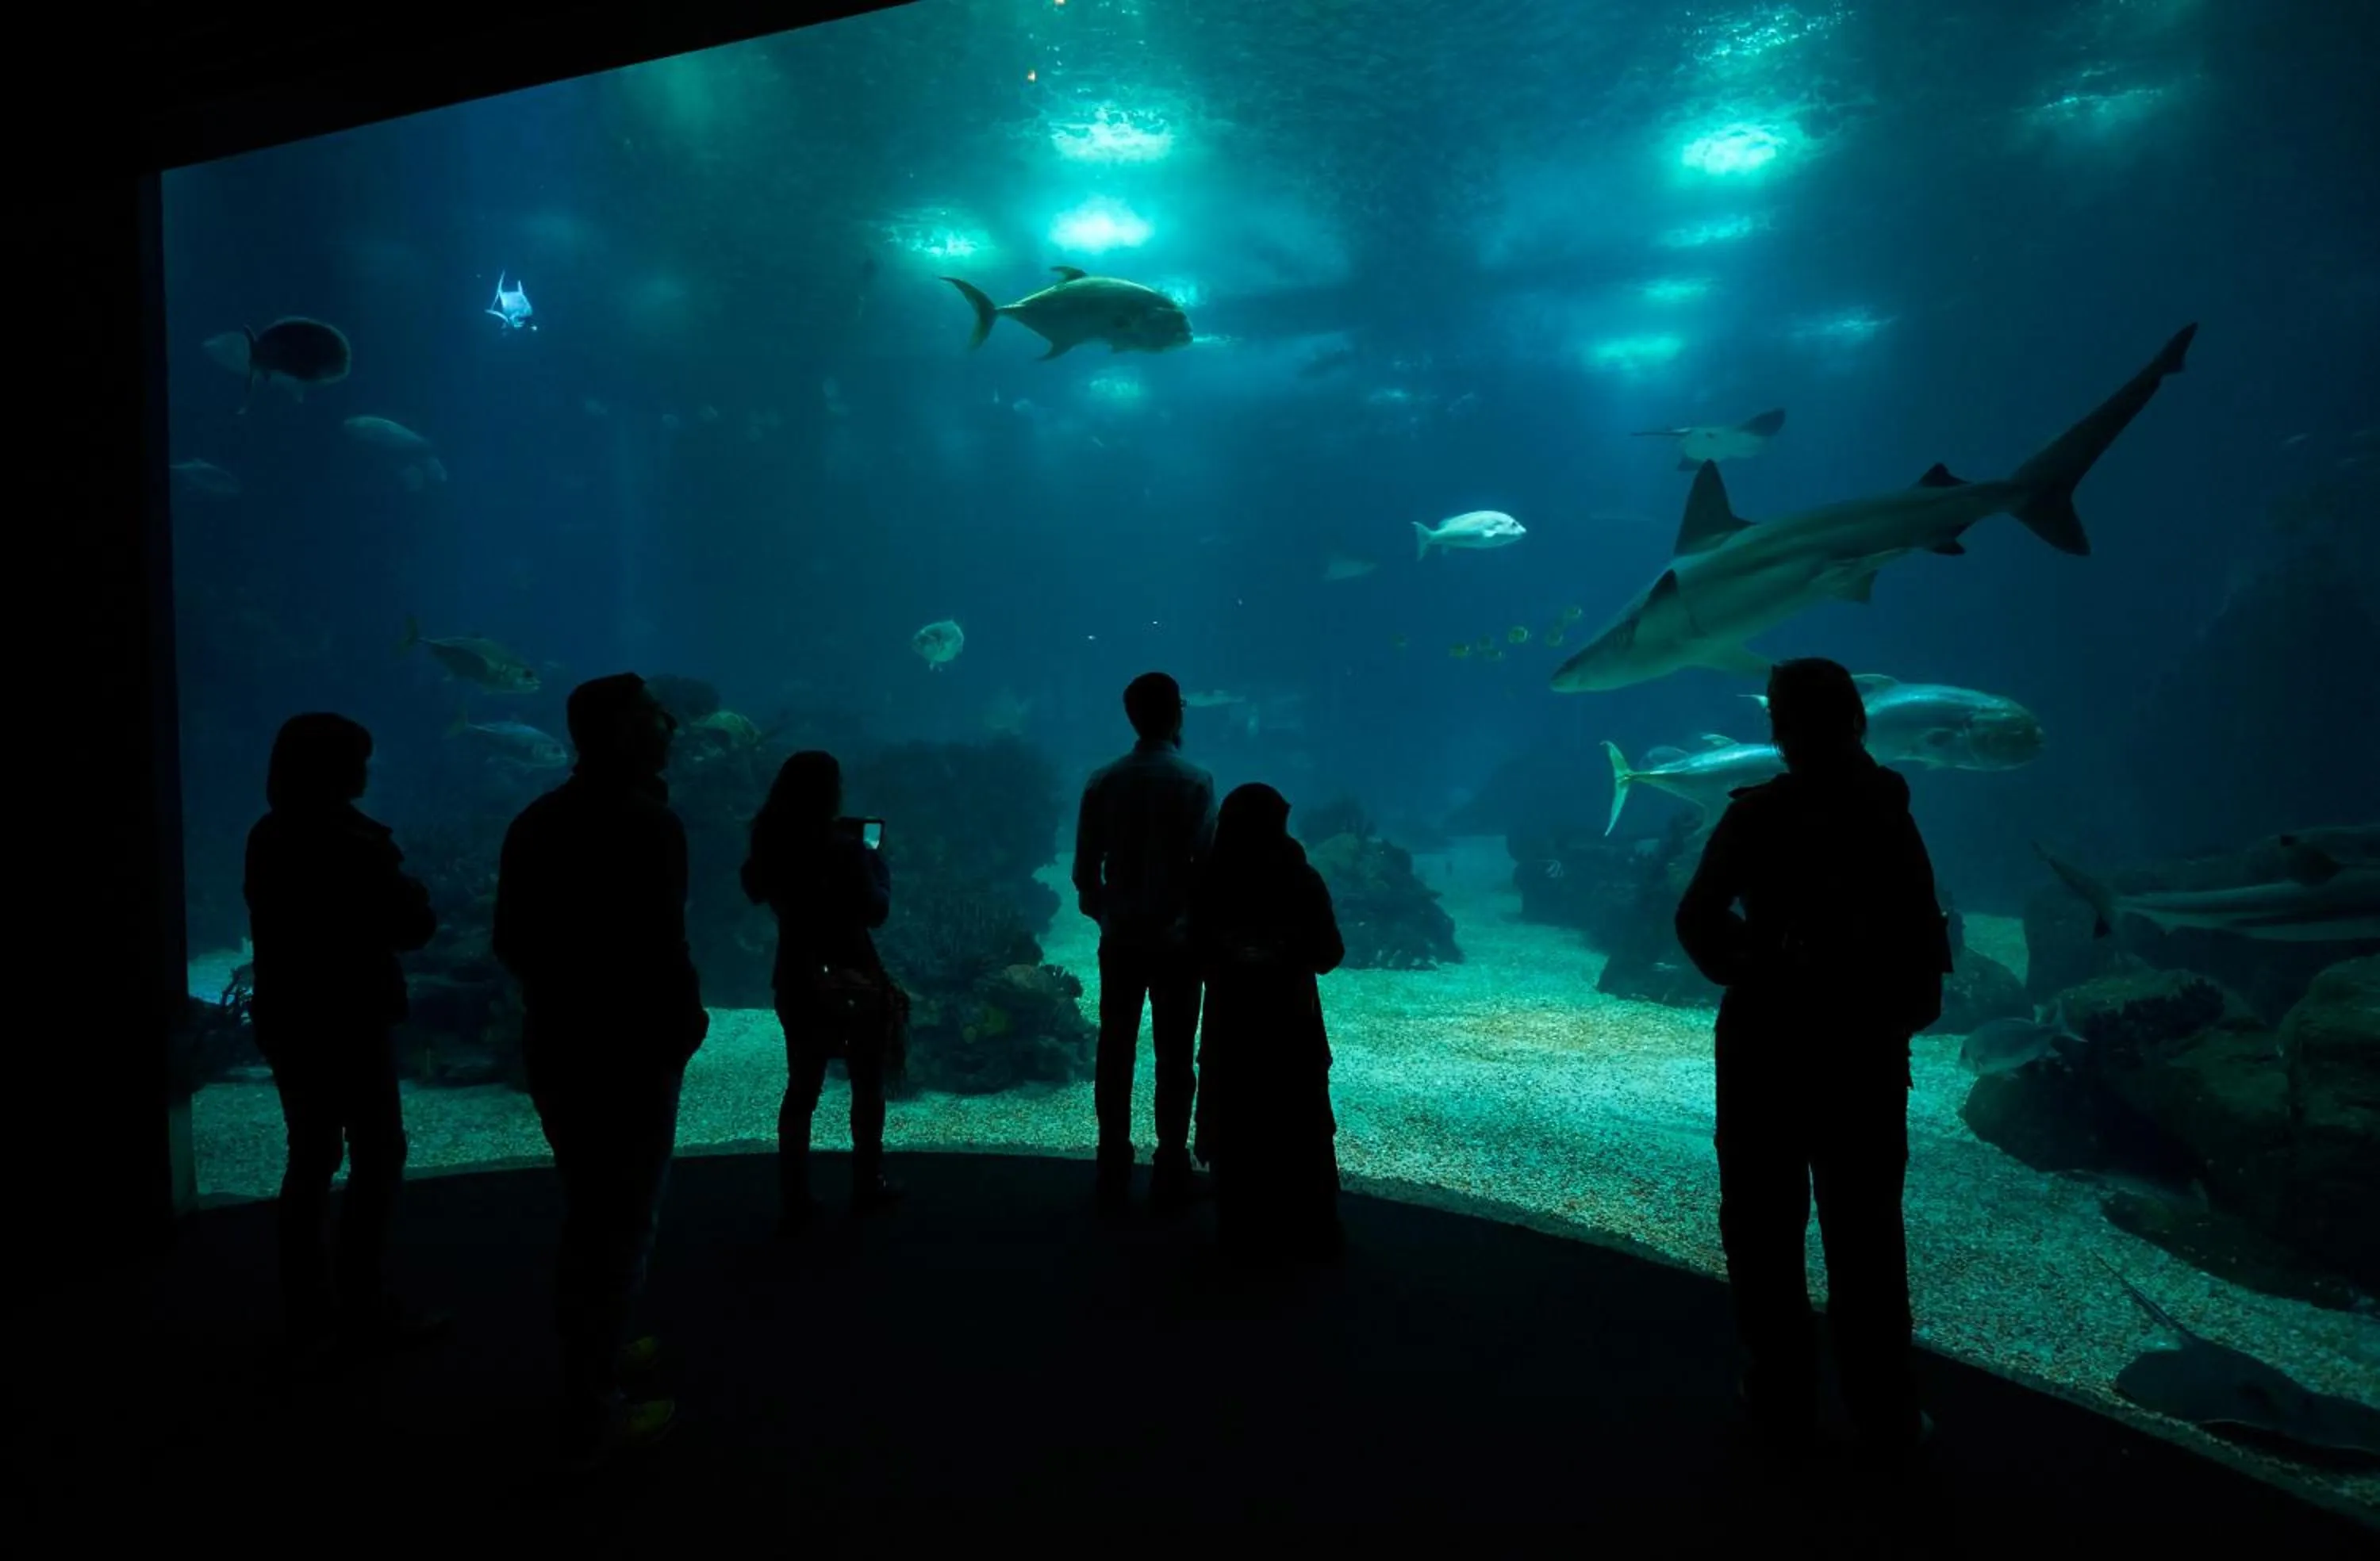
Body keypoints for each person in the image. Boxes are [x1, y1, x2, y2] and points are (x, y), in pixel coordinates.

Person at [1674, 657, 1952, 1456]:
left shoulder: (1760, 814)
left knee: (1762, 1229)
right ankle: (1886, 1411)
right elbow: (1922, 936)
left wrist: (1758, 971)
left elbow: (1697, 918)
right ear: (1859, 722)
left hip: (1766, 1047)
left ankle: (1778, 1396)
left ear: (1778, 730)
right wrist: (1888, 1012)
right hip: (1862, 1052)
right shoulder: (1887, 808)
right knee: (1866, 1235)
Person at [494, 673, 708, 1467]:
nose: (670, 722)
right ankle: (591, 1409)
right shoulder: (648, 823)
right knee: (617, 1219)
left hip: (559, 1041)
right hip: (630, 1049)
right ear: (622, 731)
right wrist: (678, 1021)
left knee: (591, 1207)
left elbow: (511, 942)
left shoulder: (536, 821)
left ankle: (600, 1346)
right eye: (653, 714)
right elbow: (663, 942)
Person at [243, 713, 445, 1356]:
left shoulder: (268, 834)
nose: (366, 770)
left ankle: (307, 1304)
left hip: (289, 1017)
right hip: (351, 1019)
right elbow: (411, 927)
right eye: (358, 758)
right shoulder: (353, 843)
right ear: (335, 768)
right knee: (379, 1153)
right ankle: (364, 1300)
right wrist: (409, 889)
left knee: (309, 1156)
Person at [1072, 671, 1219, 1214]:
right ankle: (1171, 1164)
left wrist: (1107, 913)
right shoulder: (1195, 781)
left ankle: (1111, 1161)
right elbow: (1206, 869)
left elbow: (1085, 872)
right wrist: (1187, 923)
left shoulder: (1102, 781)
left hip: (1121, 937)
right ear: (1178, 712)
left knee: (1115, 1048)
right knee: (1176, 1057)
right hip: (1178, 943)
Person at [741, 750, 904, 1229]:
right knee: (867, 1082)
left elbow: (758, 891)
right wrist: (877, 865)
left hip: (795, 972)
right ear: (831, 792)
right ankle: (867, 1181)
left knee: (801, 1087)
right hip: (853, 972)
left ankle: (795, 1194)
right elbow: (876, 911)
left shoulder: (770, 842)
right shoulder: (846, 848)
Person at [1188, 784, 1346, 1260]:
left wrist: (1235, 955)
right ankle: (1313, 1224)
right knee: (1300, 1120)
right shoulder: (1303, 879)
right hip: (1290, 1025)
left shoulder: (1210, 880)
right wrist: (1282, 953)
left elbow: (1192, 950)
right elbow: (1330, 954)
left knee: (1235, 1120)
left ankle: (1237, 1227)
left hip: (1231, 1027)